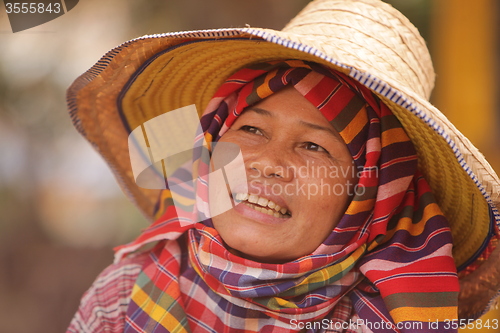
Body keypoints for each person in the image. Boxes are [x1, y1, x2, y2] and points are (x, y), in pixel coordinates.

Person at [66, 0, 500, 332]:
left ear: (369, 198)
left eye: (314, 146)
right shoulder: (123, 294)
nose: (269, 163)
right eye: (252, 130)